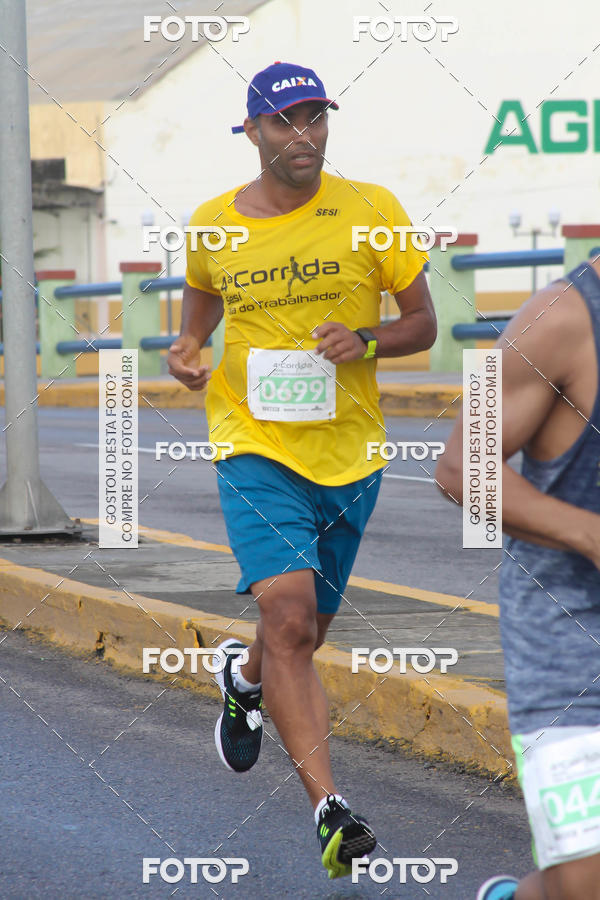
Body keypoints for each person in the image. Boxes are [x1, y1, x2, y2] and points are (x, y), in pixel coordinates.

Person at [168, 60, 436, 879]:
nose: (304, 135)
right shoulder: (214, 225)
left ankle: (241, 678)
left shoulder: (371, 212)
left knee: (303, 633)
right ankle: (329, 807)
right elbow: (200, 310)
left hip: (349, 452)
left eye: (316, 117)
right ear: (251, 132)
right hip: (252, 445)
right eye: (285, 121)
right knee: (286, 620)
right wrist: (188, 349)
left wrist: (368, 341)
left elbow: (421, 324)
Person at [436, 251, 600, 900]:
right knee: (587, 879)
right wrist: (589, 534)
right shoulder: (561, 318)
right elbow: (460, 465)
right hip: (568, 643)